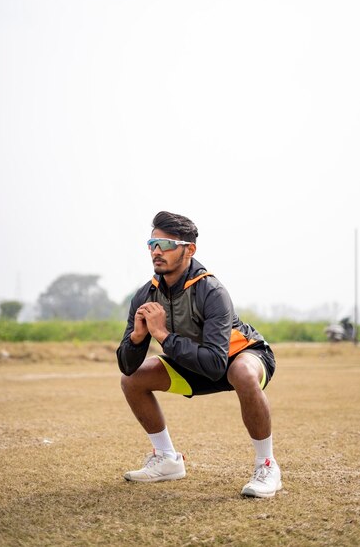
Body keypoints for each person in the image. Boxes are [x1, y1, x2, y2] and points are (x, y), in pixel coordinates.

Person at [117, 210, 282, 498]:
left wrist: (164, 336)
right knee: (133, 380)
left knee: (241, 373)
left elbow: (217, 365)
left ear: (189, 250)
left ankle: (267, 465)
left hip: (240, 355)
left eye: (166, 245)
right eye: (152, 244)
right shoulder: (145, 295)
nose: (157, 251)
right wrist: (137, 337)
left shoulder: (212, 290)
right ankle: (167, 459)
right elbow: (127, 366)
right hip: (195, 361)